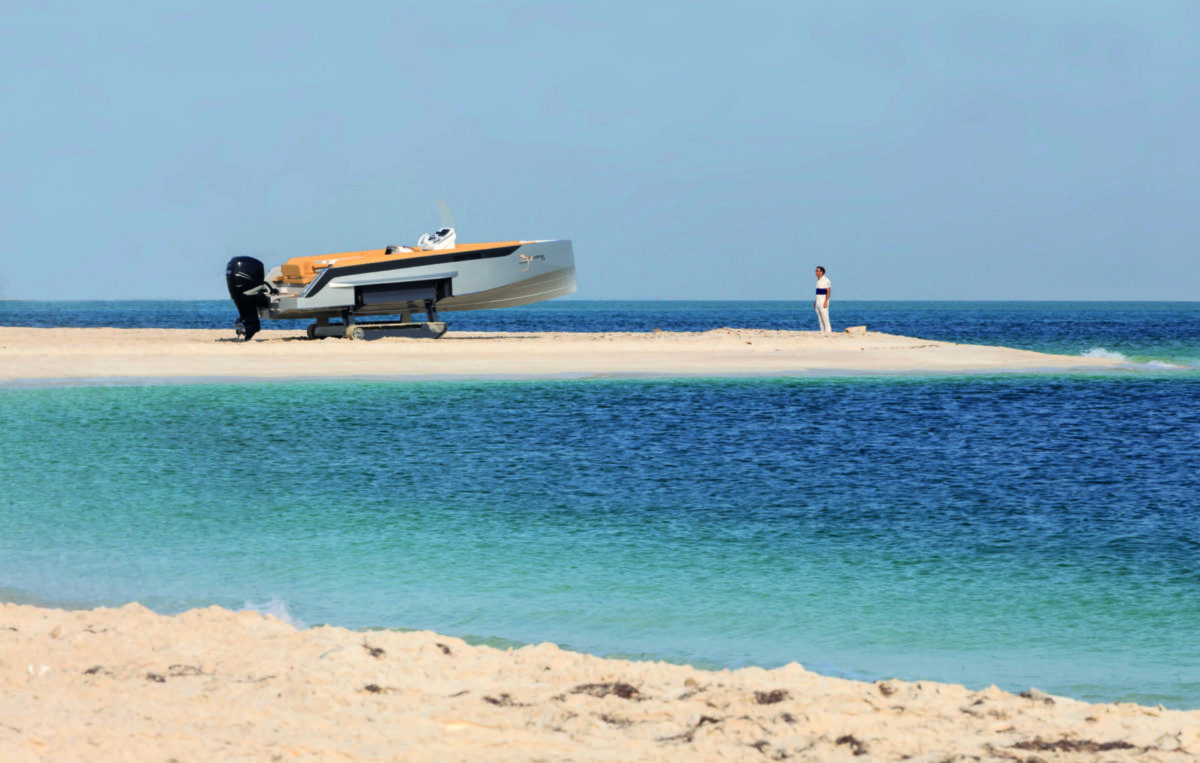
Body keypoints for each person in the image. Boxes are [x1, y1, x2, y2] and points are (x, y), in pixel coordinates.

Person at [813, 266, 832, 333]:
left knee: (825, 316)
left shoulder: (826, 280)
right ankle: (822, 330)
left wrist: (826, 301)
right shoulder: (818, 281)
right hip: (818, 300)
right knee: (819, 317)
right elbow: (817, 293)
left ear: (821, 272)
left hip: (823, 300)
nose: (816, 272)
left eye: (817, 271)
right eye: (815, 271)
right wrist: (815, 302)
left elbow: (828, 291)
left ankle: (828, 330)